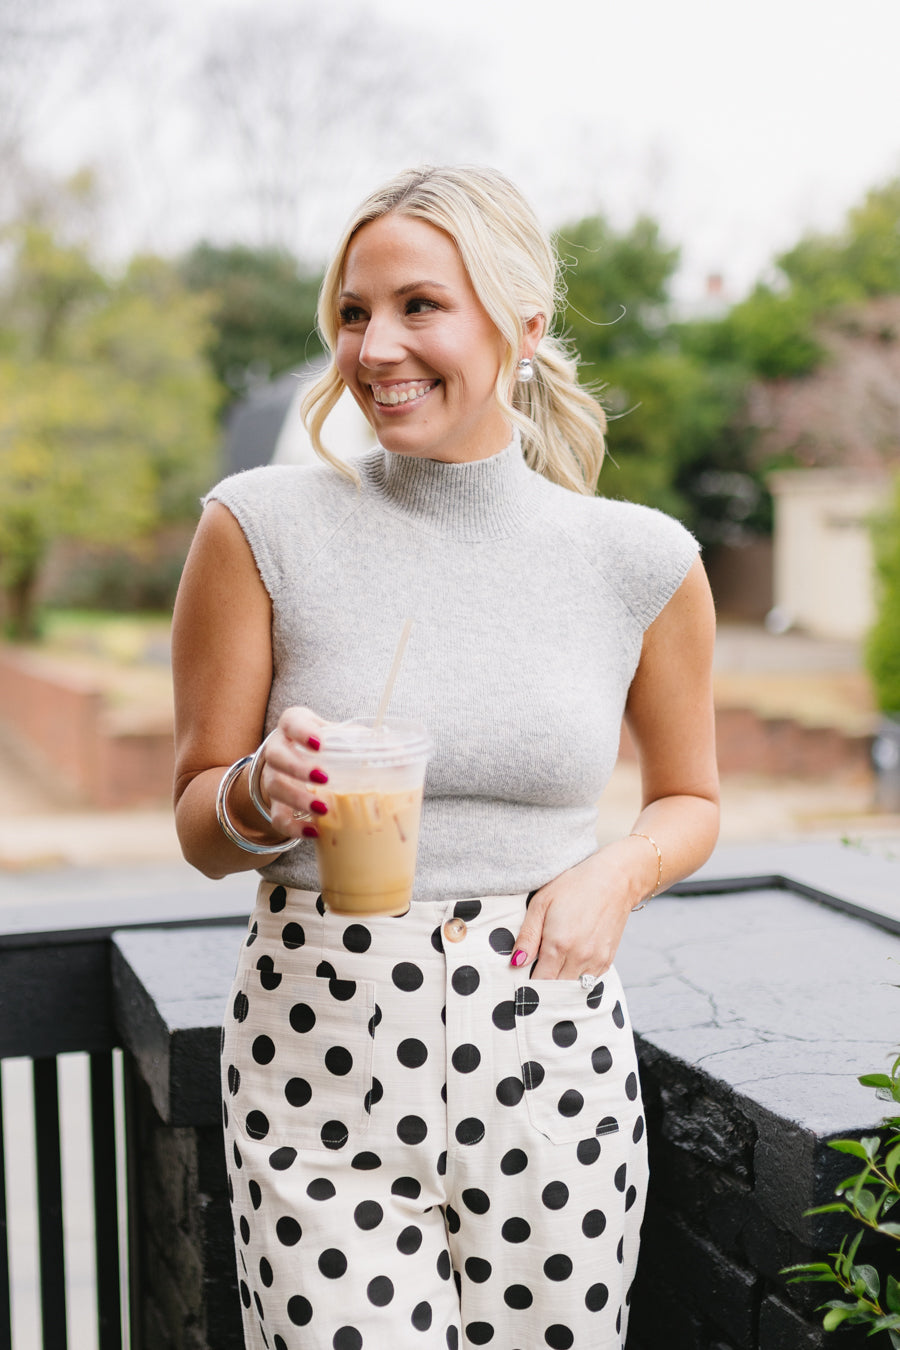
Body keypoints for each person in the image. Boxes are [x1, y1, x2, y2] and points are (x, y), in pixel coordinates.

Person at [171, 164, 719, 1350]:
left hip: (552, 1052)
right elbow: (199, 826)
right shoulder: (257, 526)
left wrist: (615, 875)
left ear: (523, 326)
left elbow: (690, 797)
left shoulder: (643, 560)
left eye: (419, 306)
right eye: (353, 313)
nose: (375, 348)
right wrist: (260, 793)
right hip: (317, 1058)